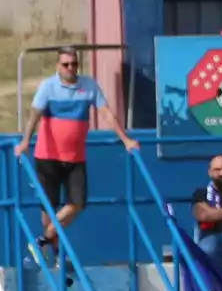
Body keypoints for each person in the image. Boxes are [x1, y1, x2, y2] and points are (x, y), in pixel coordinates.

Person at [16, 47, 138, 275]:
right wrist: (25, 142)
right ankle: (57, 255)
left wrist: (126, 139)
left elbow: (107, 114)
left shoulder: (89, 85)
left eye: (74, 64)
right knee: (47, 209)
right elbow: (34, 115)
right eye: (66, 64)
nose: (70, 68)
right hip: (47, 156)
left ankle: (41, 241)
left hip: (75, 157)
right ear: (57, 66)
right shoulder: (48, 87)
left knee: (77, 203)